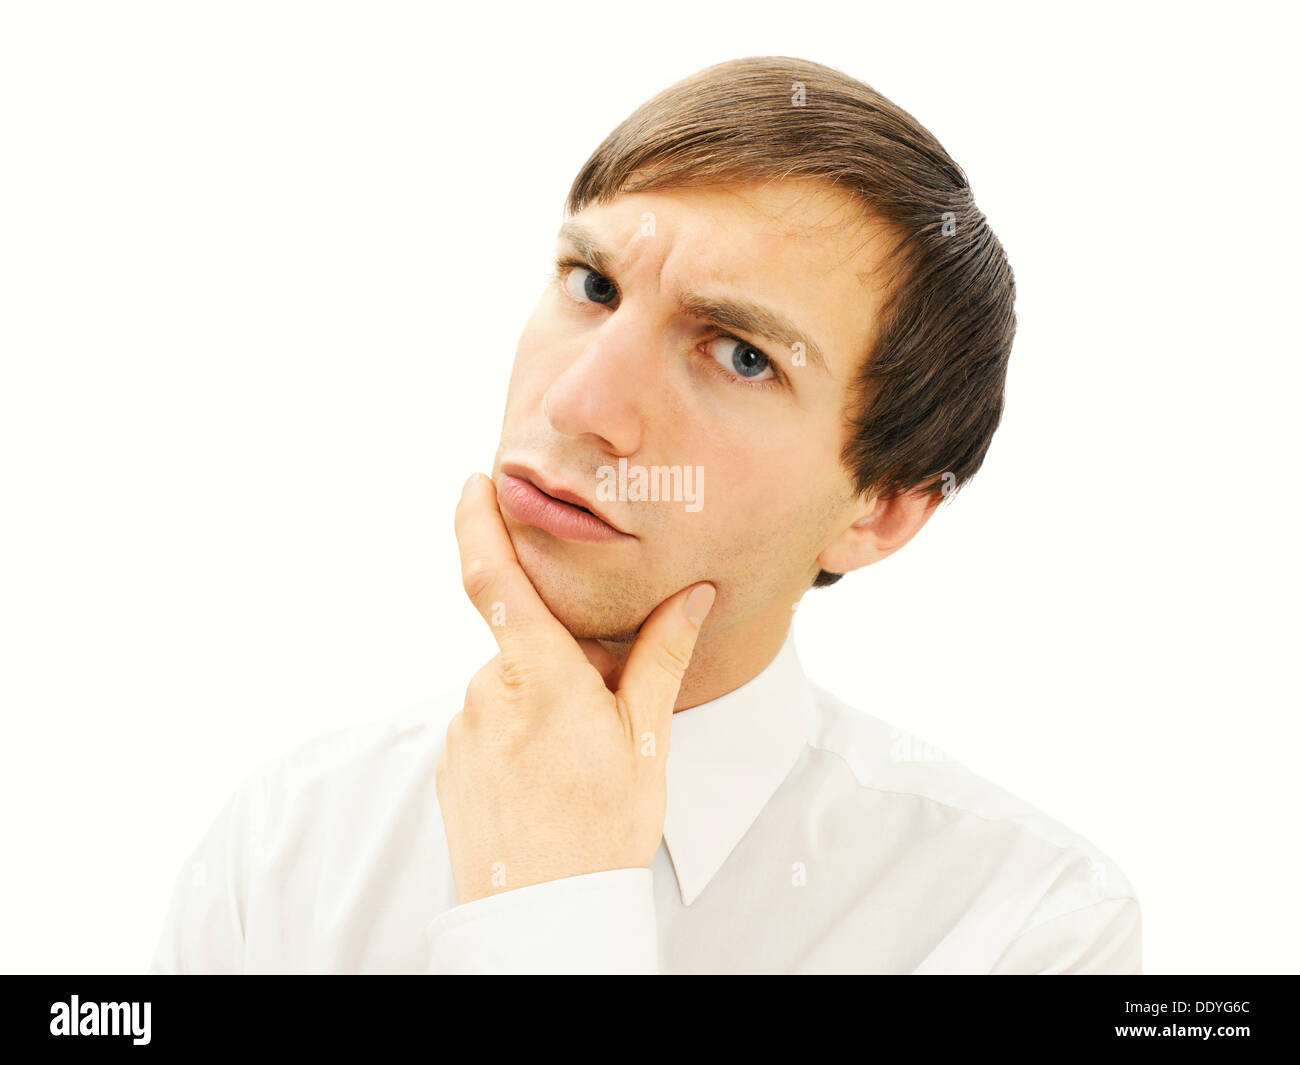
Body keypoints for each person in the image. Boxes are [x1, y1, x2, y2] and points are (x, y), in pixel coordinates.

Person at [150, 55, 1140, 974]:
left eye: (742, 354)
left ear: (879, 512)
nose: (580, 402)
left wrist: (557, 908)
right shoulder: (288, 846)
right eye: (592, 286)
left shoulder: (1028, 926)